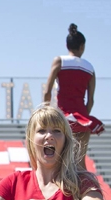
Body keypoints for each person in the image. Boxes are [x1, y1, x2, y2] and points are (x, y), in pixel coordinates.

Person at [43, 24, 103, 170]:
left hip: (62, 117)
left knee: (58, 161)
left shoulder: (59, 61)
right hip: (82, 119)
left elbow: (47, 90)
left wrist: (46, 113)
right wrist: (84, 116)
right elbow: (91, 100)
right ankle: (83, 191)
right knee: (80, 163)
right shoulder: (90, 68)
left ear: (66, 45)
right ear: (82, 46)